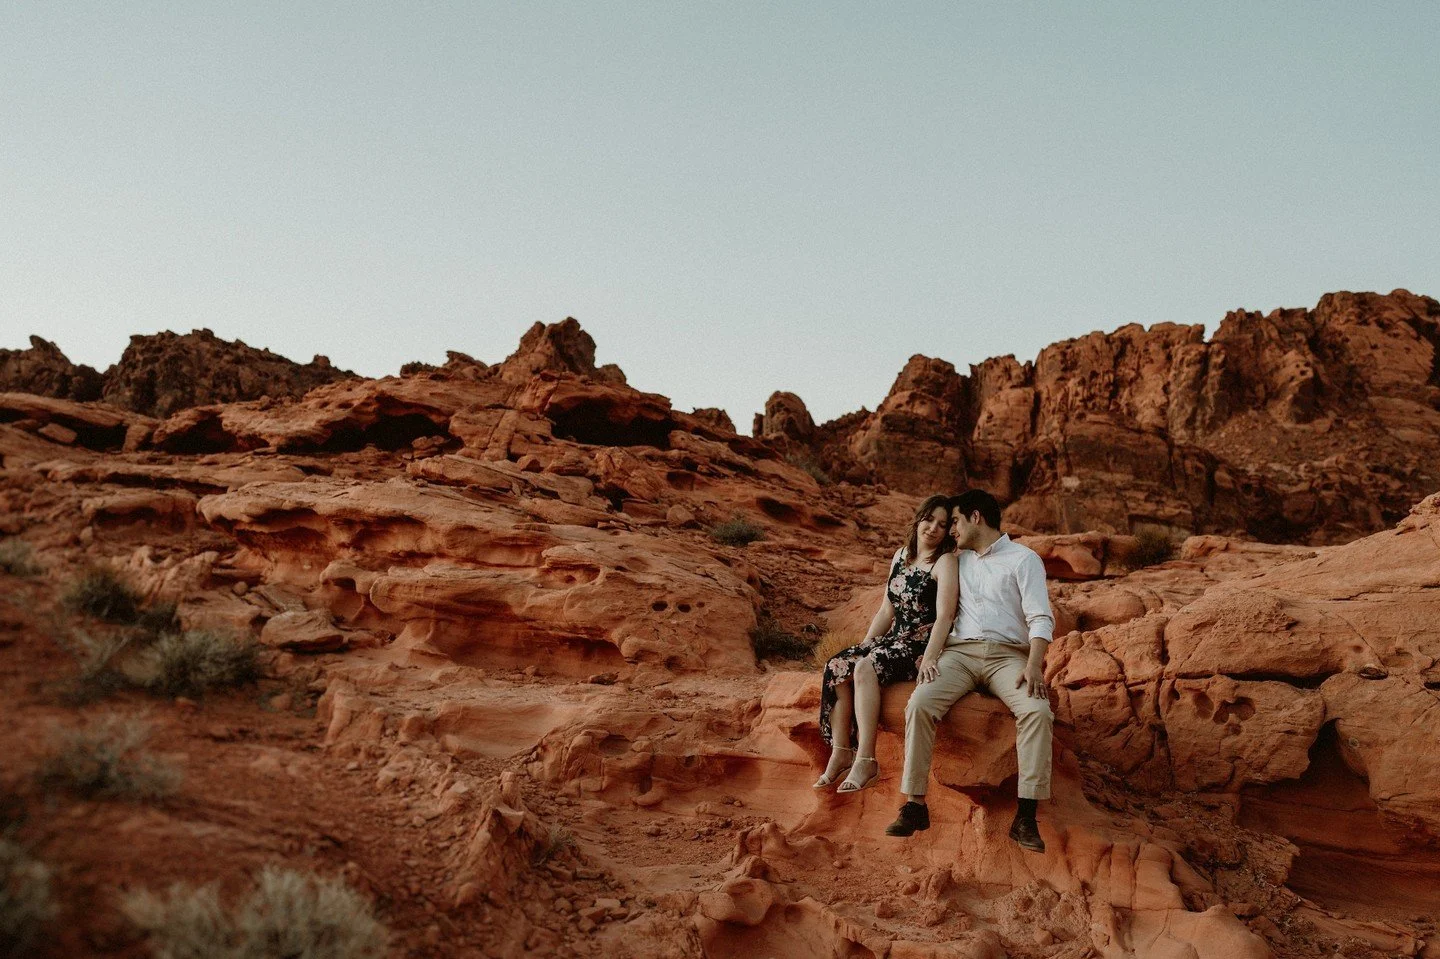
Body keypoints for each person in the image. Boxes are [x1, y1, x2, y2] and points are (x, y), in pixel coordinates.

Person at [886, 489, 1055, 852]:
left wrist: (1034, 665)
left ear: (975, 517)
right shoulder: (955, 561)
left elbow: (1041, 617)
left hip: (1008, 657)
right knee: (920, 704)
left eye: (956, 521)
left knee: (1037, 711)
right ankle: (915, 805)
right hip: (959, 654)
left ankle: (1026, 816)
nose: (951, 530)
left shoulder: (1023, 559)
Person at [814, 495, 958, 793]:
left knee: (866, 667)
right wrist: (865, 645)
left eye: (942, 524)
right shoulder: (901, 555)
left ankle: (866, 759)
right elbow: (885, 611)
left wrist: (930, 657)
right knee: (837, 665)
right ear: (918, 519)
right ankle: (841, 751)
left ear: (947, 531)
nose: (933, 528)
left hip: (919, 645)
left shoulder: (945, 562)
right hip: (894, 639)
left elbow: (945, 616)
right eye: (929, 519)